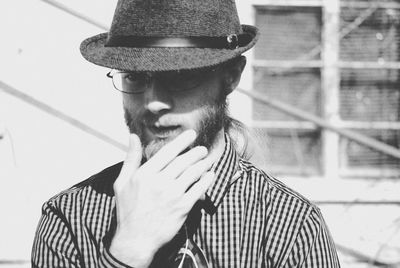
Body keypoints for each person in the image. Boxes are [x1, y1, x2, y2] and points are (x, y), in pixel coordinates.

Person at [32, 0, 341, 267]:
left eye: (179, 77)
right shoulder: (71, 219)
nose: (153, 102)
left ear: (231, 76)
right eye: (135, 77)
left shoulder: (289, 226)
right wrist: (127, 251)